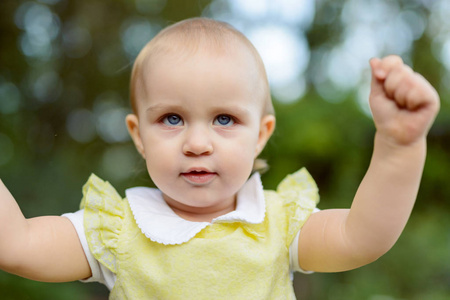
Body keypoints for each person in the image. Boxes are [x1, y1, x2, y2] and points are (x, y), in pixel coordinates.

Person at [0, 18, 440, 299]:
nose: (197, 143)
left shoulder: (276, 224)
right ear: (138, 136)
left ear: (260, 135)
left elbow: (363, 237)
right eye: (172, 118)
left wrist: (399, 147)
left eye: (224, 119)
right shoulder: (117, 230)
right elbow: (15, 245)